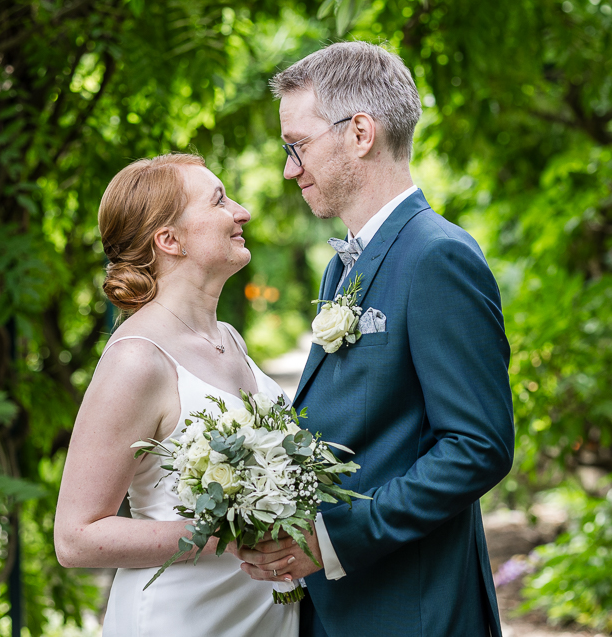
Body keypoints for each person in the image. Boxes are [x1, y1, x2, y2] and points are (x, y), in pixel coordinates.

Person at [235, 42, 515, 636]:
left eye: (297, 145)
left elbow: (477, 446)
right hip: (345, 606)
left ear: (360, 133)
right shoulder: (343, 265)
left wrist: (334, 540)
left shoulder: (439, 257)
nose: (290, 169)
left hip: (414, 608)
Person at [53, 154, 298, 636]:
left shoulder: (229, 336)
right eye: (220, 200)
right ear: (170, 240)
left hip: (259, 617)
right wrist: (229, 532)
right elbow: (75, 538)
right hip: (182, 619)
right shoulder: (136, 359)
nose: (242, 211)